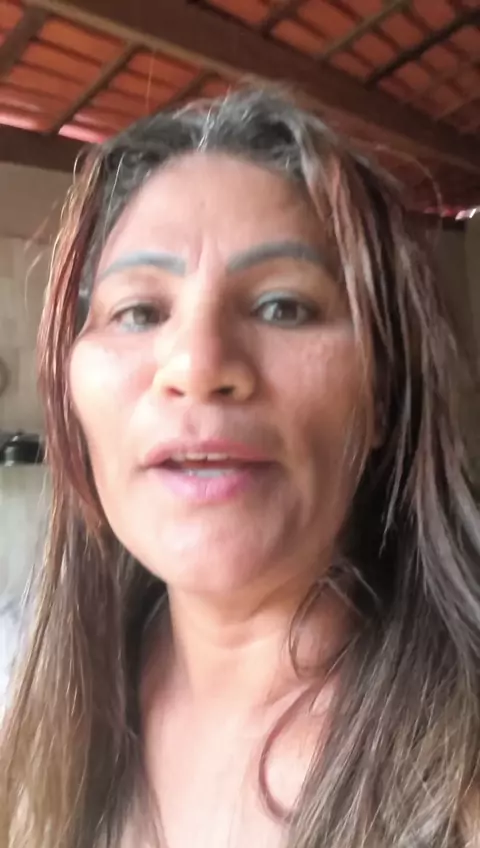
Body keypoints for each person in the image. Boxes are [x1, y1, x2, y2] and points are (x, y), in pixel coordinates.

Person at [1, 87, 479, 848]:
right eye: (140, 312)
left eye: (283, 306)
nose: (197, 365)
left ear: (383, 397)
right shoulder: (30, 705)